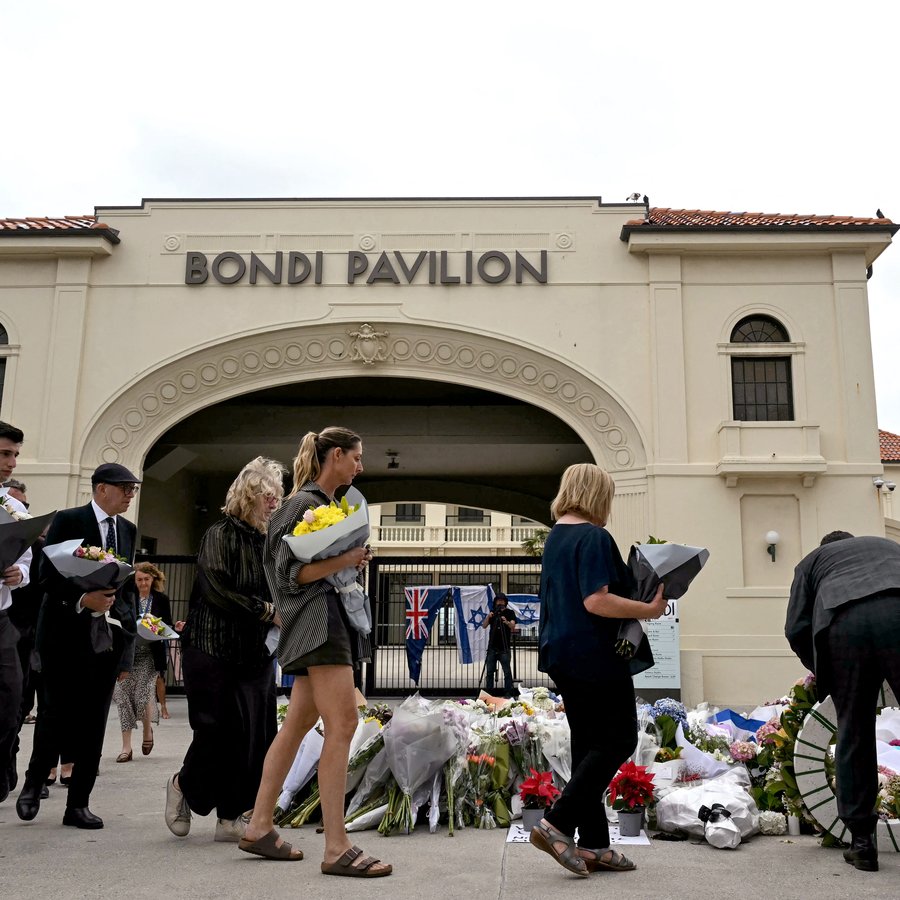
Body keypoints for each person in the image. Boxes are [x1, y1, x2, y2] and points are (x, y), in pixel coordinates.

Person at [240, 427, 391, 877]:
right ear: (337, 455)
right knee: (343, 723)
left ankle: (259, 826)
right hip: (318, 623)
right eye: (357, 458)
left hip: (319, 621)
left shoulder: (319, 506)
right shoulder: (302, 504)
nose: (361, 467)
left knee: (297, 725)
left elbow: (304, 568)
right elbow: (290, 575)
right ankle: (336, 847)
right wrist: (345, 560)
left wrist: (349, 558)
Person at [531, 463, 667, 877]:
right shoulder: (593, 536)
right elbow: (596, 600)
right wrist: (648, 609)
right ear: (596, 496)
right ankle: (557, 824)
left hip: (563, 653)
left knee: (588, 744)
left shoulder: (557, 536)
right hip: (593, 652)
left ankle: (594, 845)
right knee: (619, 737)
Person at [164, 457, 285, 843]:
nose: (274, 503)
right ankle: (183, 785)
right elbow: (217, 590)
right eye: (268, 496)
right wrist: (267, 611)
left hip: (255, 652)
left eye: (277, 497)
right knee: (216, 730)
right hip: (212, 646)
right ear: (249, 495)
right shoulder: (220, 533)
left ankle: (231, 816)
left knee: (254, 735)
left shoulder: (272, 541)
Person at [16, 462, 140, 829]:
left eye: (133, 490)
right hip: (63, 635)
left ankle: (78, 804)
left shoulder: (128, 530)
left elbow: (125, 582)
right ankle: (35, 780)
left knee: (93, 721)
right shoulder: (69, 520)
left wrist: (130, 623)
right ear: (102, 489)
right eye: (125, 488)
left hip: (107, 638)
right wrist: (82, 600)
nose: (130, 495)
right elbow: (47, 577)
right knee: (54, 713)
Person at [785, 531, 900, 873]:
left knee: (854, 729)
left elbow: (796, 628)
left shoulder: (812, 563)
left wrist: (822, 669)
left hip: (844, 624)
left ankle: (863, 843)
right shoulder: (889, 546)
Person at [0, 424, 33, 804]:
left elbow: (24, 560)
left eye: (15, 455)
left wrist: (17, 574)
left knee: (10, 703)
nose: (11, 463)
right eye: (5, 454)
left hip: (1, 622)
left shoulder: (14, 507)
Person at [113, 562, 172, 762]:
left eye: (147, 579)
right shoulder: (125, 598)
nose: (143, 583)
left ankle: (147, 731)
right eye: (139, 580)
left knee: (141, 695)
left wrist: (152, 627)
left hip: (149, 654)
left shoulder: (161, 599)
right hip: (126, 654)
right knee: (122, 698)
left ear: (153, 579)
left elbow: (167, 626)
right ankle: (126, 746)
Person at [481, 592, 517, 697]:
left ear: (505, 602)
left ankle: (508, 692)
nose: (500, 602)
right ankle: (489, 693)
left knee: (507, 671)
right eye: (498, 601)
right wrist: (489, 616)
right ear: (495, 602)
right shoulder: (493, 613)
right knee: (489, 671)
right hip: (492, 647)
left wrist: (506, 622)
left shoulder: (510, 613)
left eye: (502, 601)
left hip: (504, 648)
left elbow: (512, 626)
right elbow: (484, 625)